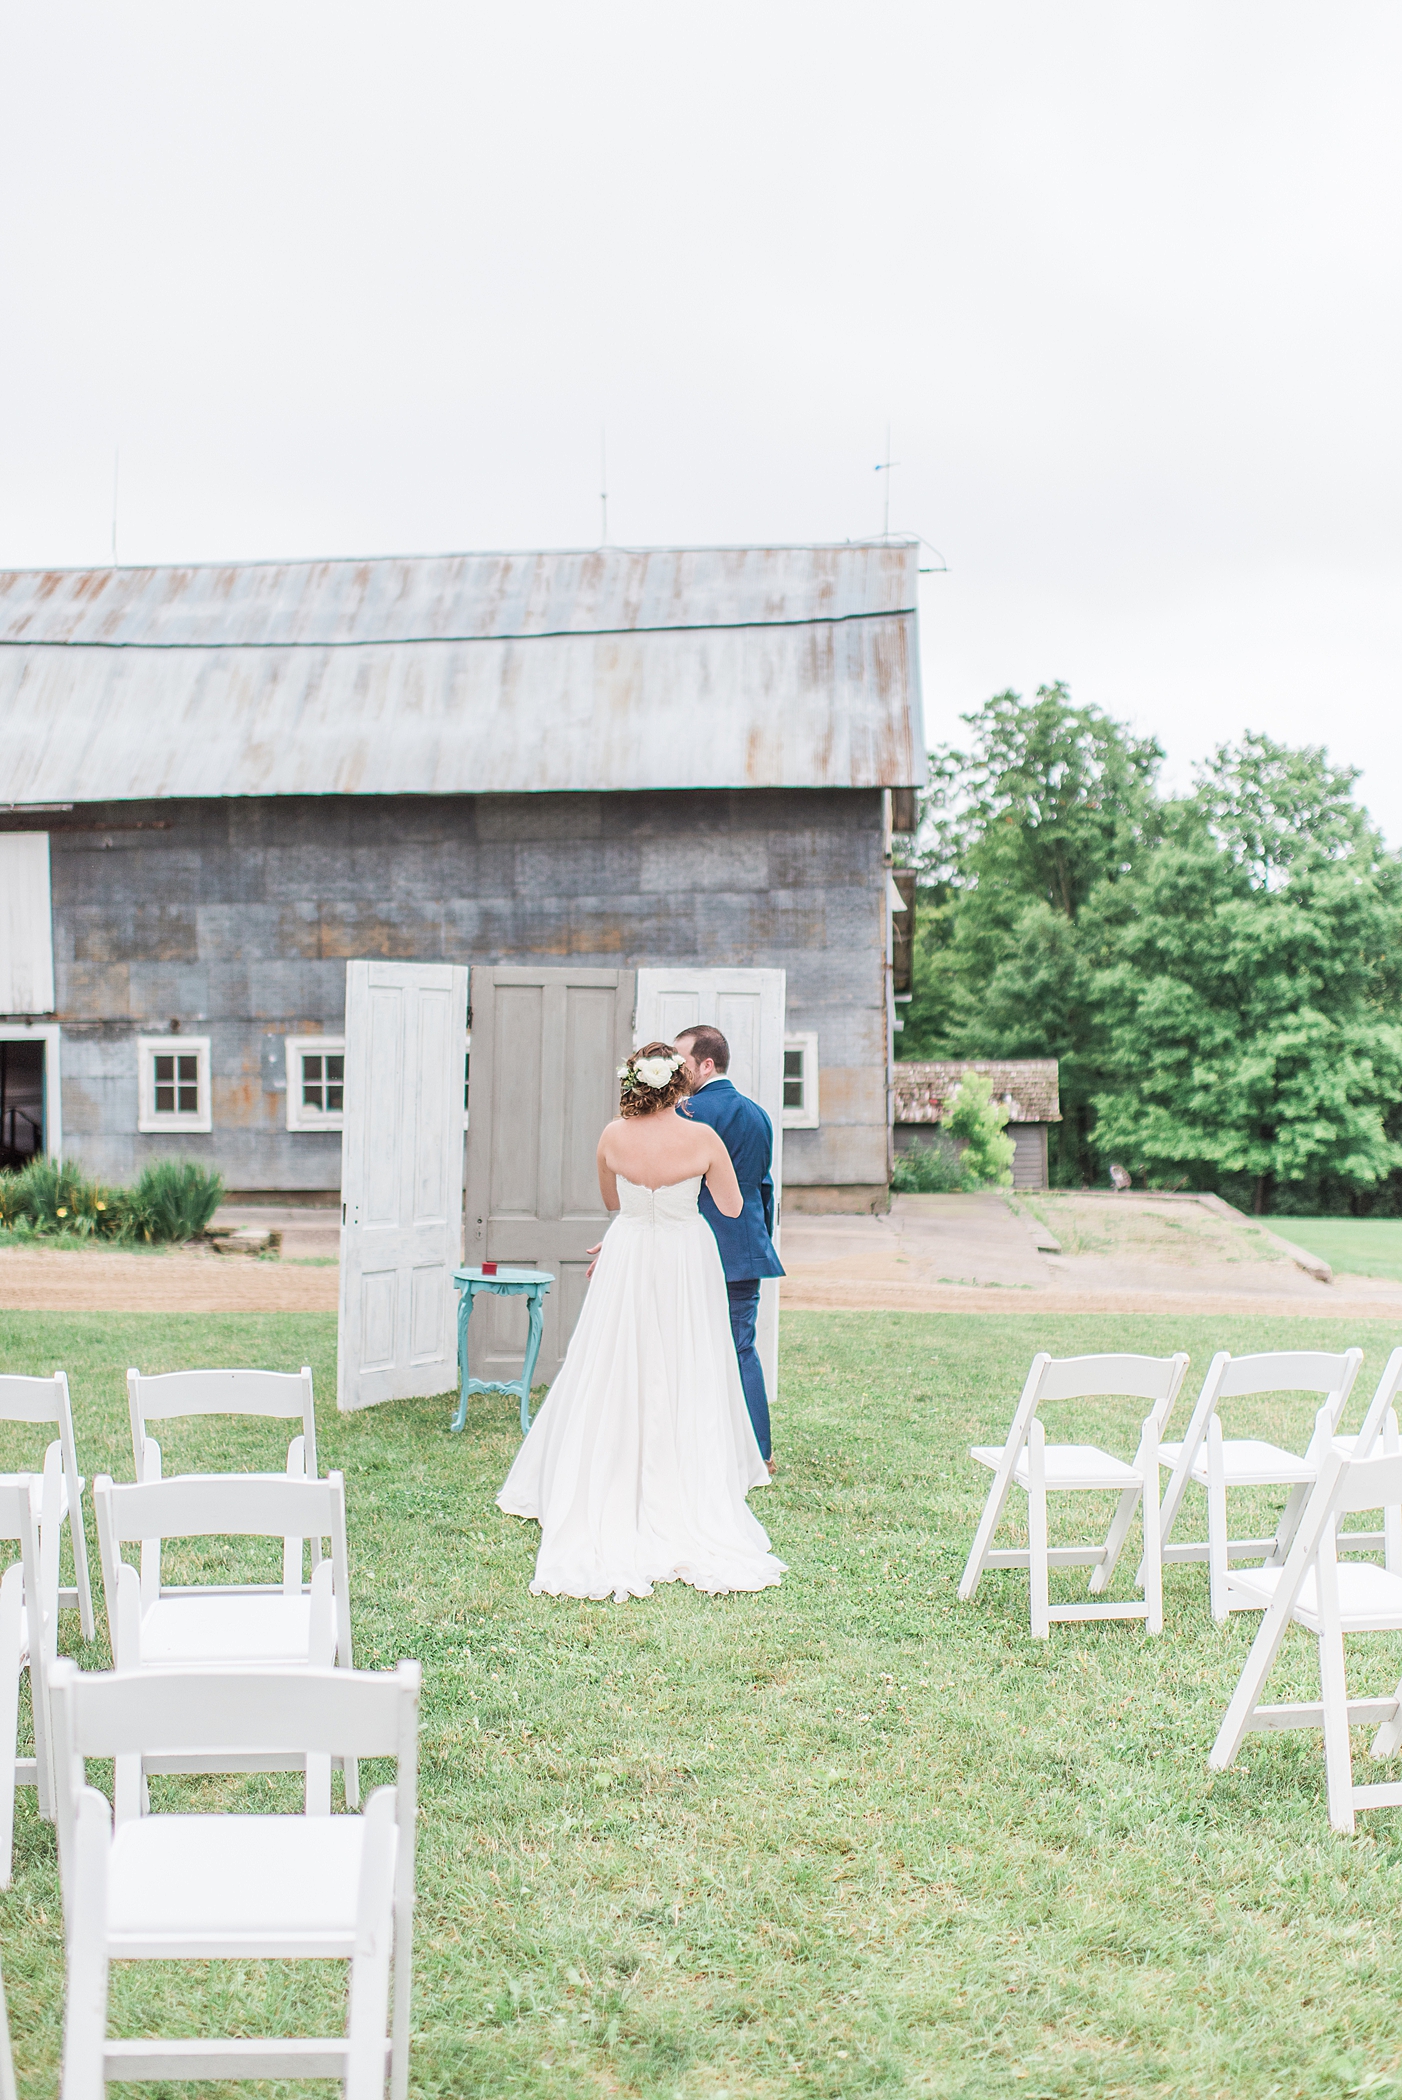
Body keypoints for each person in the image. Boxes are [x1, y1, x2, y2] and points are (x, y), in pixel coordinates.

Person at [497, 1042, 785, 1603]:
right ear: (679, 1084)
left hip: (628, 1254)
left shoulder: (612, 1136)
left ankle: (604, 1474)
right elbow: (728, 1208)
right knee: (687, 1360)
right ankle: (688, 1482)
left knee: (613, 1359)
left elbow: (613, 1198)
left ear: (634, 1082)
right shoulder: (703, 1138)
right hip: (684, 1256)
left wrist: (643, 1207)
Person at [673, 1026, 784, 1473]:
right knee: (741, 1348)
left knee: (685, 1346)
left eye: (682, 1062)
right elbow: (764, 1189)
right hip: (746, 1249)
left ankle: (693, 1448)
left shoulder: (686, 1112)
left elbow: (674, 1184)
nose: (677, 1072)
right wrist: (757, 1241)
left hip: (693, 1246)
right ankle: (760, 1453)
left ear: (706, 1064)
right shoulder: (759, 1115)